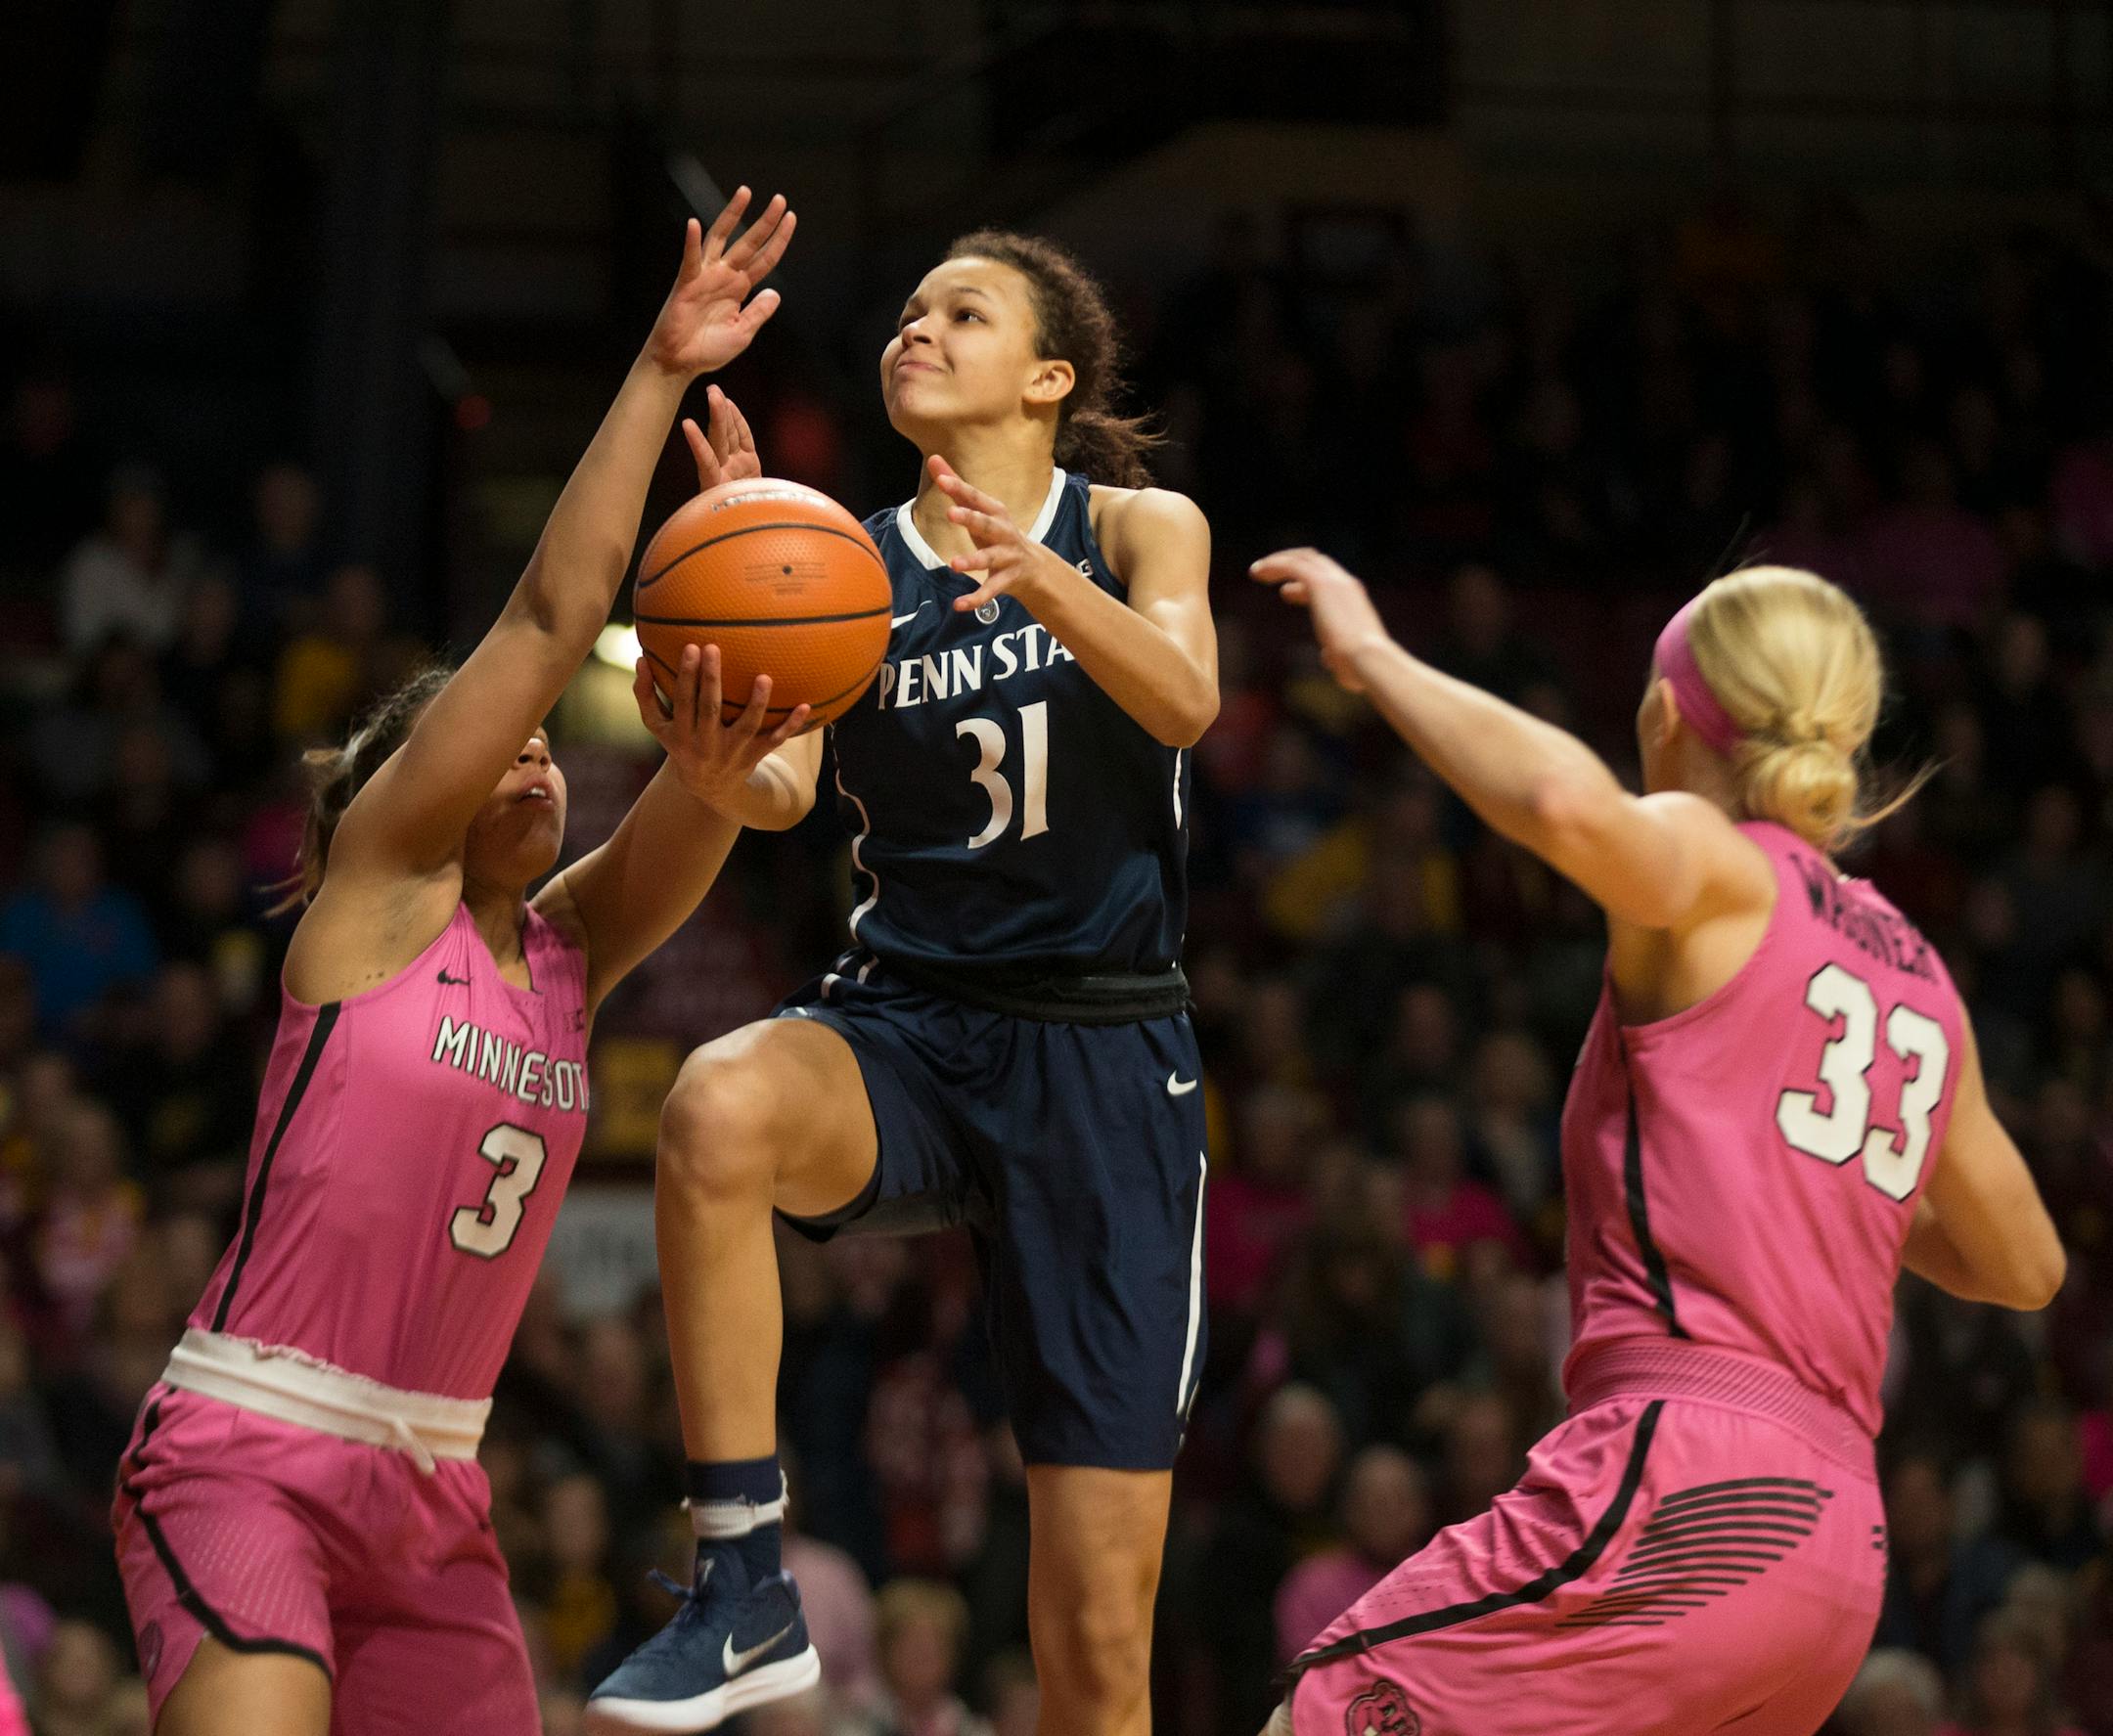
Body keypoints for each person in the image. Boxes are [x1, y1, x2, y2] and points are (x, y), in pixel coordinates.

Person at [108, 189, 801, 1736]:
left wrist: (748, 581)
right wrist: (655, 373)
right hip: (251, 1449)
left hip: (435, 1488)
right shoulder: (382, 885)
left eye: (552, 749)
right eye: (498, 743)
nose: (537, 755)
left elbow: (714, 783)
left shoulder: (569, 953)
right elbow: (557, 615)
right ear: (401, 783)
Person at [1246, 556, 2066, 1735]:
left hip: (1693, 1483)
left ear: (1664, 715)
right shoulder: (1916, 972)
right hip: (1838, 1550)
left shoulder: (1715, 865)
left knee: (1329, 1708)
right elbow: (2026, 1265)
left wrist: (1373, 655)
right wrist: (1828, 1197)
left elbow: (1567, 808)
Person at [589, 232, 1216, 1735]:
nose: (918, 328)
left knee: (1089, 1644)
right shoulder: (844, 566)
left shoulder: (1138, 529)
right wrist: (725, 679)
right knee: (717, 1108)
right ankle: (743, 1577)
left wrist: (1040, 580)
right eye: (915, 310)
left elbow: (1186, 697)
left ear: (1049, 376)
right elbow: (790, 791)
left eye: (966, 310)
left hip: (1105, 1052)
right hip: (915, 1021)